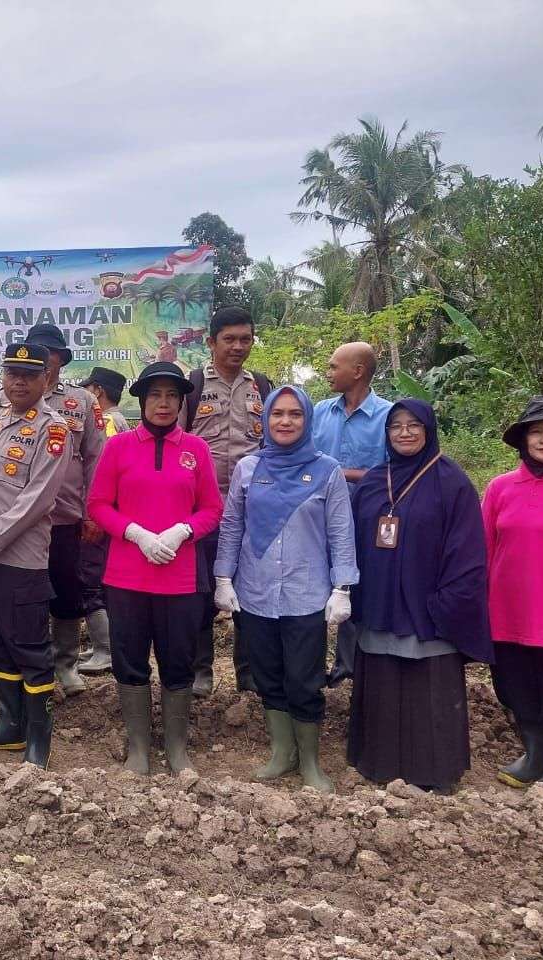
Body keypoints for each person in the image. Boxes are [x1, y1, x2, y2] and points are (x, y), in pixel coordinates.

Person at [214, 386, 358, 793]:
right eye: (278, 414)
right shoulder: (248, 468)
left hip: (306, 593)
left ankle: (310, 761)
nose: (286, 421)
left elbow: (340, 533)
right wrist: (223, 578)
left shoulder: (327, 470)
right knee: (268, 675)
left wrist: (342, 586)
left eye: (295, 414)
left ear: (307, 420)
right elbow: (232, 527)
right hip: (255, 592)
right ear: (265, 419)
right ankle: (282, 753)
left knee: (304, 677)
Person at [347, 399, 492, 793]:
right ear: (386, 433)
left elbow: (468, 551)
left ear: (429, 429)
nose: (405, 432)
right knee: (383, 685)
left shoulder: (452, 482)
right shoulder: (376, 480)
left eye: (414, 425)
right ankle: (377, 765)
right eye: (396, 425)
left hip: (429, 611)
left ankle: (434, 773)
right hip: (379, 604)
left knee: (427, 691)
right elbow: (352, 543)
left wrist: (443, 605)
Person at [88, 361, 222, 775]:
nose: (163, 404)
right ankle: (140, 748)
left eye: (171, 396)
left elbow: (212, 508)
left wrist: (183, 530)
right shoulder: (119, 447)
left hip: (180, 577)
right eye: (155, 396)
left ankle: (177, 748)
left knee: (178, 660)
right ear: (143, 402)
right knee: (129, 659)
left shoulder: (196, 450)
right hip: (127, 574)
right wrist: (137, 534)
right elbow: (97, 506)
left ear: (182, 402)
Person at [0, 323, 104, 695]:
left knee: (66, 590)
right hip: (13, 520)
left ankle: (64, 664)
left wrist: (92, 511)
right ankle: (16, 665)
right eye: (37, 352)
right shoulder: (0, 404)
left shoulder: (81, 402)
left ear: (60, 361)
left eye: (52, 354)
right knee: (16, 593)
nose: (45, 360)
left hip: (65, 516)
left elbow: (97, 458)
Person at [0, 342, 70, 768]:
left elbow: (40, 498)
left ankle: (39, 740)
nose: (18, 382)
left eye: (28, 374)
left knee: (29, 647)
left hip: (17, 557)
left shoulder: (54, 428)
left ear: (46, 378)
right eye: (12, 373)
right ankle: (9, 727)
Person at [183, 305, 274, 697]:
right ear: (212, 342)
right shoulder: (193, 384)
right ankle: (201, 670)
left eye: (245, 339)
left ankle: (248, 675)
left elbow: (272, 445)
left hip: (251, 508)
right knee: (201, 590)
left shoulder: (264, 387)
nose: (238, 347)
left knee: (249, 589)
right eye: (229, 339)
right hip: (202, 507)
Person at [312, 341, 393, 688]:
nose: (328, 373)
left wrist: (337, 473)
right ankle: (311, 668)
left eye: (334, 367)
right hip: (318, 518)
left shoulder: (390, 416)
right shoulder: (318, 412)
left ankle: (350, 667)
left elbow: (393, 470)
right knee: (314, 589)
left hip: (367, 519)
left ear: (357, 371)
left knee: (358, 590)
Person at [484, 396, 543, 787]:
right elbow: (485, 547)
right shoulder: (501, 488)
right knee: (516, 688)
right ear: (524, 441)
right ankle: (535, 753)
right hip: (507, 612)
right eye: (537, 432)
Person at [74, 366, 129, 675]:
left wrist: (90, 513)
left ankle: (106, 650)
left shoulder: (106, 422)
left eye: (88, 390)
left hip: (99, 514)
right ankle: (101, 646)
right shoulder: (120, 421)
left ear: (97, 392)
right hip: (113, 514)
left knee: (91, 580)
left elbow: (98, 471)